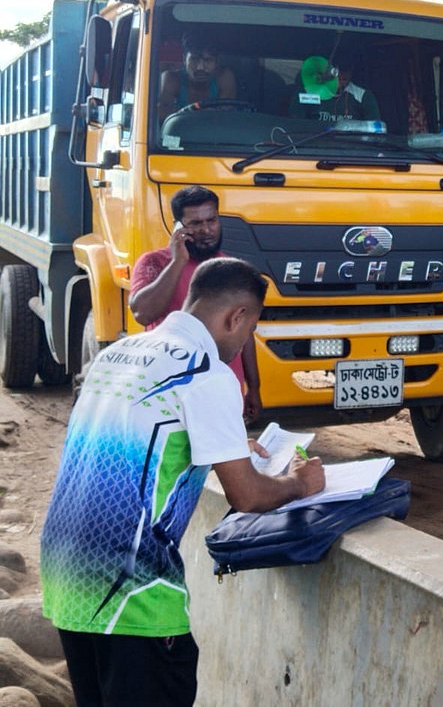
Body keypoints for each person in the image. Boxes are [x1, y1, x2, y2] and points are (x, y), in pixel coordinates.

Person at [41, 257, 325, 707]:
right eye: (250, 329)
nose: (244, 342)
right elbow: (248, 495)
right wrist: (299, 483)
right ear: (237, 317)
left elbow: (141, 433)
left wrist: (227, 445)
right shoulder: (207, 374)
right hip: (131, 590)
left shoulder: (117, 353)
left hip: (65, 574)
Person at [130, 185, 263, 423]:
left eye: (212, 220)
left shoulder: (231, 268)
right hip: (174, 396)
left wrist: (253, 387)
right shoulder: (155, 263)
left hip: (224, 394)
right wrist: (178, 261)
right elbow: (142, 313)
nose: (206, 230)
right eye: (195, 223)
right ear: (178, 227)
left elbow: (246, 333)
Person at [158, 31, 237, 119]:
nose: (200, 67)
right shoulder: (171, 79)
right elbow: (162, 116)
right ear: (184, 59)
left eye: (208, 60)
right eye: (194, 59)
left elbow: (226, 116)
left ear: (216, 62)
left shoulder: (224, 78)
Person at [287, 54, 381, 124]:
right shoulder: (305, 94)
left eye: (345, 69)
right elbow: (295, 127)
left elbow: (374, 131)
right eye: (334, 70)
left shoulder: (363, 96)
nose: (339, 74)